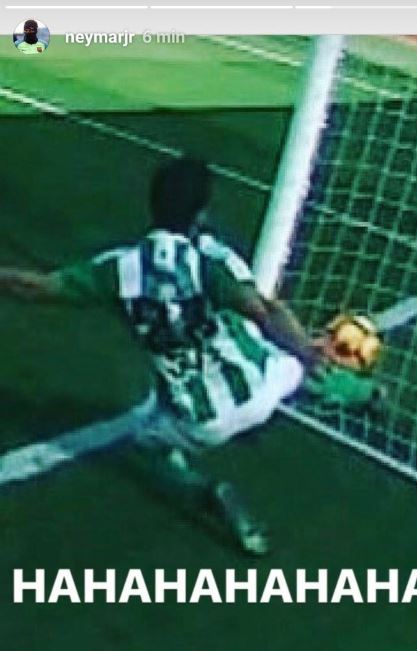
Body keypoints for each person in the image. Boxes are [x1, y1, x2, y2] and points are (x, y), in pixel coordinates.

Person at [0, 158, 378, 555]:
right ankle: (363, 393)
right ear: (201, 213)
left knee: (148, 444)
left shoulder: (119, 269)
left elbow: (37, 287)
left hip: (201, 423)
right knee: (290, 366)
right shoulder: (210, 259)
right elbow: (264, 310)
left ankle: (208, 492)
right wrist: (306, 348)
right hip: (263, 388)